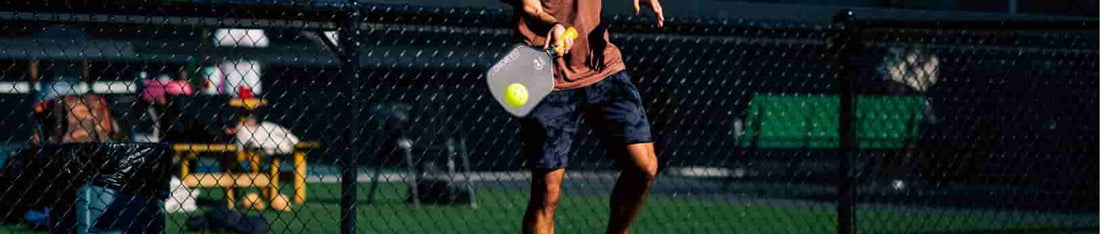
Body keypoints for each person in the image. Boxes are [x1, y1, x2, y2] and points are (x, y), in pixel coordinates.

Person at [506, 0, 664, 233]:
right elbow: (532, 9)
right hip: (549, 84)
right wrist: (553, 26)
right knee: (547, 193)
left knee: (645, 167)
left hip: (604, 71)